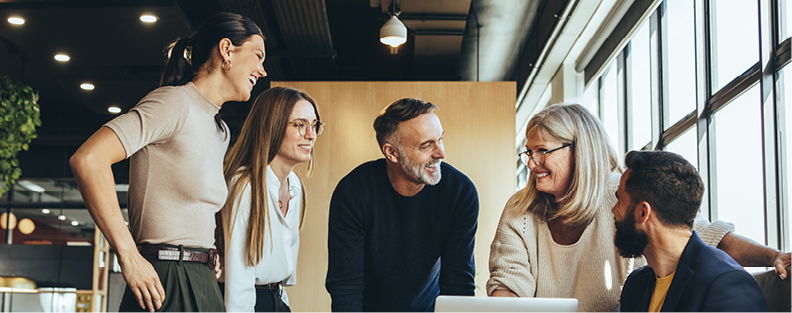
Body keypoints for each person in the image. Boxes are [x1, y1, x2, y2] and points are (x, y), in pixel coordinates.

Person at [486, 103, 789, 311]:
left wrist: (773, 256)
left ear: (579, 152)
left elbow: (701, 238)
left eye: (542, 151)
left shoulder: (623, 193)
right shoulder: (521, 209)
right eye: (529, 152)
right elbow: (509, 281)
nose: (532, 163)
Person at [69, 12, 267, 312]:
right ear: (227, 50)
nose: (262, 70)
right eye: (258, 56)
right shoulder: (173, 103)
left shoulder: (220, 130)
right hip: (164, 279)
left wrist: (206, 254)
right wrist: (128, 255)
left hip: (202, 278)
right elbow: (88, 160)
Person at [325, 98, 479, 312]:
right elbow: (345, 285)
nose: (441, 153)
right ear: (392, 153)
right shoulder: (353, 193)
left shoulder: (460, 192)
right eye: (427, 145)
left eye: (440, 140)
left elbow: (458, 283)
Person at [615, 150, 768, 311]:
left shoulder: (727, 285)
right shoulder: (635, 285)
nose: (613, 210)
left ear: (643, 212)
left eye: (619, 201)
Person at [221, 87, 323, 312]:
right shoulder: (244, 186)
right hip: (248, 302)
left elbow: (282, 270)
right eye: (300, 125)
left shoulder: (295, 185)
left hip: (276, 299)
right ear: (272, 126)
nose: (311, 134)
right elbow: (239, 277)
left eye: (315, 125)